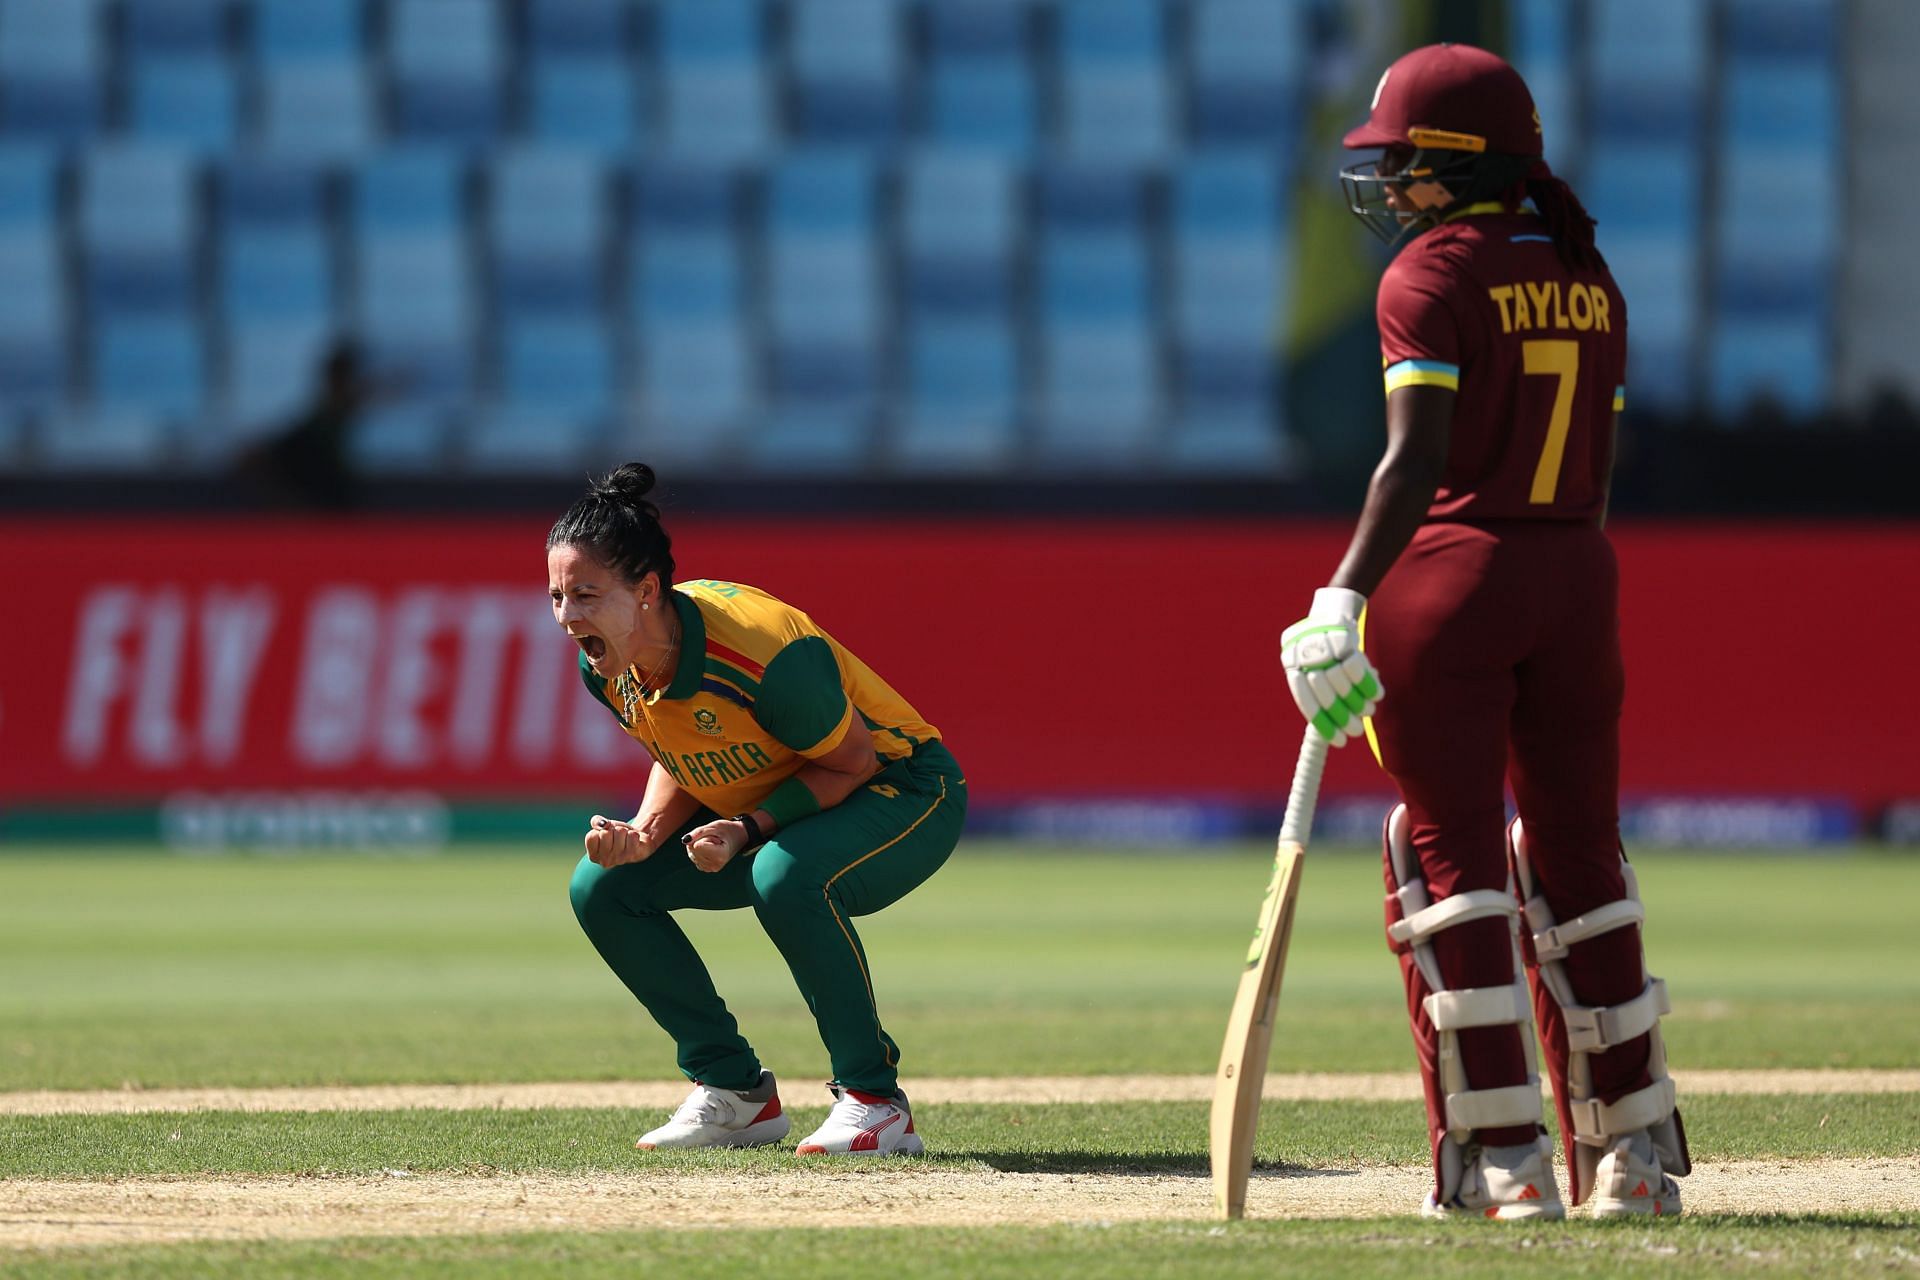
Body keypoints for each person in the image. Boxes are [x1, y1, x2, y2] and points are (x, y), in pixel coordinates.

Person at [1277, 44, 1688, 1219]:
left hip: (1452, 577)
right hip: (1578, 576)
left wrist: (1343, 593)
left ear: (1455, 163)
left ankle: (1504, 1160)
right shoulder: (1586, 270)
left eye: (1400, 160)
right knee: (1582, 861)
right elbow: (1597, 467)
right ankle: (1635, 1159)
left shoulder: (1428, 274)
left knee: (1447, 861)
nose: (1388, 183)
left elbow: (1413, 462)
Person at [551, 463, 966, 1156]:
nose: (568, 619)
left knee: (785, 877)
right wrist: (646, 832)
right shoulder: (607, 665)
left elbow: (852, 763)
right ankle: (735, 1093)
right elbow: (681, 749)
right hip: (772, 805)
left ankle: (874, 1101)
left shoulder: (764, 651)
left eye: (585, 595)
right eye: (557, 596)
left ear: (647, 590)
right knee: (603, 888)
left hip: (905, 791)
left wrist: (747, 827)